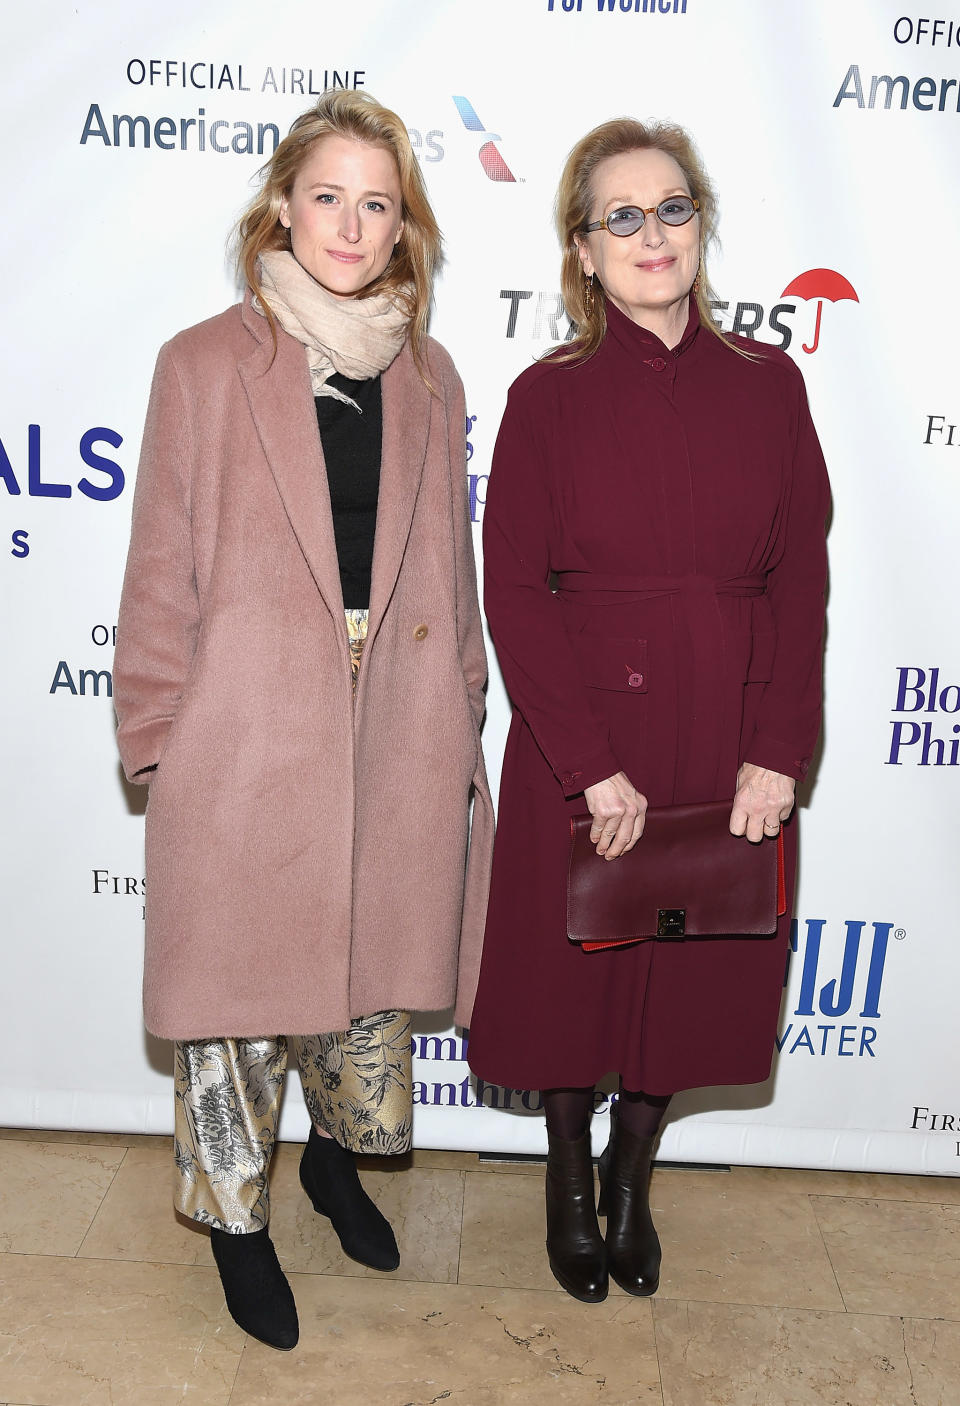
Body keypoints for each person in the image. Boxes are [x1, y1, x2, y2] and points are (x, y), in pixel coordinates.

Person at [113, 89, 493, 1350]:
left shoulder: (432, 377)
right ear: (284, 203)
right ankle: (237, 1222)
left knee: (366, 993)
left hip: (393, 717)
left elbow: (452, 569)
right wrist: (160, 739)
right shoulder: (205, 362)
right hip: (248, 726)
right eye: (327, 194)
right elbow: (160, 565)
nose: (350, 221)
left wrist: (464, 716)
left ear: (404, 229)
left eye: (376, 202)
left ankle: (335, 1165)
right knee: (236, 1009)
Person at [466, 118, 829, 1303]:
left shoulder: (773, 387)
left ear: (700, 223)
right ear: (582, 249)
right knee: (575, 966)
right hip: (592, 738)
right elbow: (512, 587)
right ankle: (569, 1178)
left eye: (670, 208)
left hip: (729, 732)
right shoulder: (546, 395)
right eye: (621, 216)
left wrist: (780, 748)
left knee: (694, 962)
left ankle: (634, 1173)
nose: (651, 235)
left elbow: (803, 578)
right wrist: (585, 763)